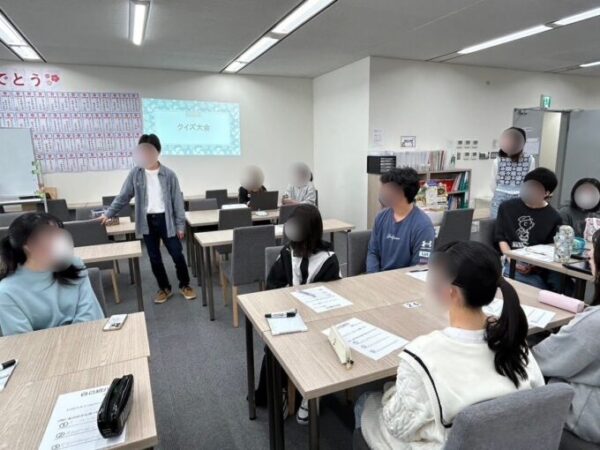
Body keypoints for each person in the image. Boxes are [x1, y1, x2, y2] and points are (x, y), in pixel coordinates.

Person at [356, 241, 544, 449]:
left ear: (450, 291)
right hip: (510, 441)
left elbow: (397, 426)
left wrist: (391, 391)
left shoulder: (421, 355)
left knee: (366, 400)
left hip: (448, 443)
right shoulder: (514, 339)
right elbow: (539, 394)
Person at [257, 204, 340, 424]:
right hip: (290, 316)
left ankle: (312, 394)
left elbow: (333, 297)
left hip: (319, 319)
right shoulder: (287, 253)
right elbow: (272, 285)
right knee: (274, 346)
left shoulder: (328, 259)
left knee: (319, 345)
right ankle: (281, 390)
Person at [100, 134, 196, 304]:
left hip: (167, 220)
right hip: (146, 221)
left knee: (177, 254)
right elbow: (123, 196)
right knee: (154, 257)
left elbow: (177, 202)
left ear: (157, 152)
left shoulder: (169, 175)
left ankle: (185, 285)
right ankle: (164, 288)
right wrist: (109, 213)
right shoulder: (135, 173)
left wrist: (180, 225)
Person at [531, 229, 600, 445]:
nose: (589, 254)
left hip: (587, 419)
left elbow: (541, 360)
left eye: (594, 251)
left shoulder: (594, 323)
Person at [0, 213, 104, 336]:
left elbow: (90, 314)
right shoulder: (6, 292)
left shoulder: (74, 265)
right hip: (44, 347)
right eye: (50, 236)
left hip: (88, 338)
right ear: (28, 246)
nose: (61, 242)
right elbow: (23, 340)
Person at [495, 167, 563, 291]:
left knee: (562, 285)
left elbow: (550, 248)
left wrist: (534, 267)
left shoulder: (554, 217)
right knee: (534, 288)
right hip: (510, 260)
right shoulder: (507, 207)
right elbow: (501, 238)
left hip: (540, 265)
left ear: (546, 193)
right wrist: (512, 260)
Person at [367, 167, 435, 273]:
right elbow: (373, 252)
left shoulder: (423, 226)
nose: (382, 193)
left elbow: (420, 266)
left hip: (404, 279)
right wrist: (373, 276)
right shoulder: (381, 217)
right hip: (379, 277)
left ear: (401, 193)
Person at [490, 127, 535, 218]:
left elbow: (493, 184)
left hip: (512, 197)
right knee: (512, 223)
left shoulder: (530, 159)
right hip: (511, 198)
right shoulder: (498, 160)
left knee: (504, 223)